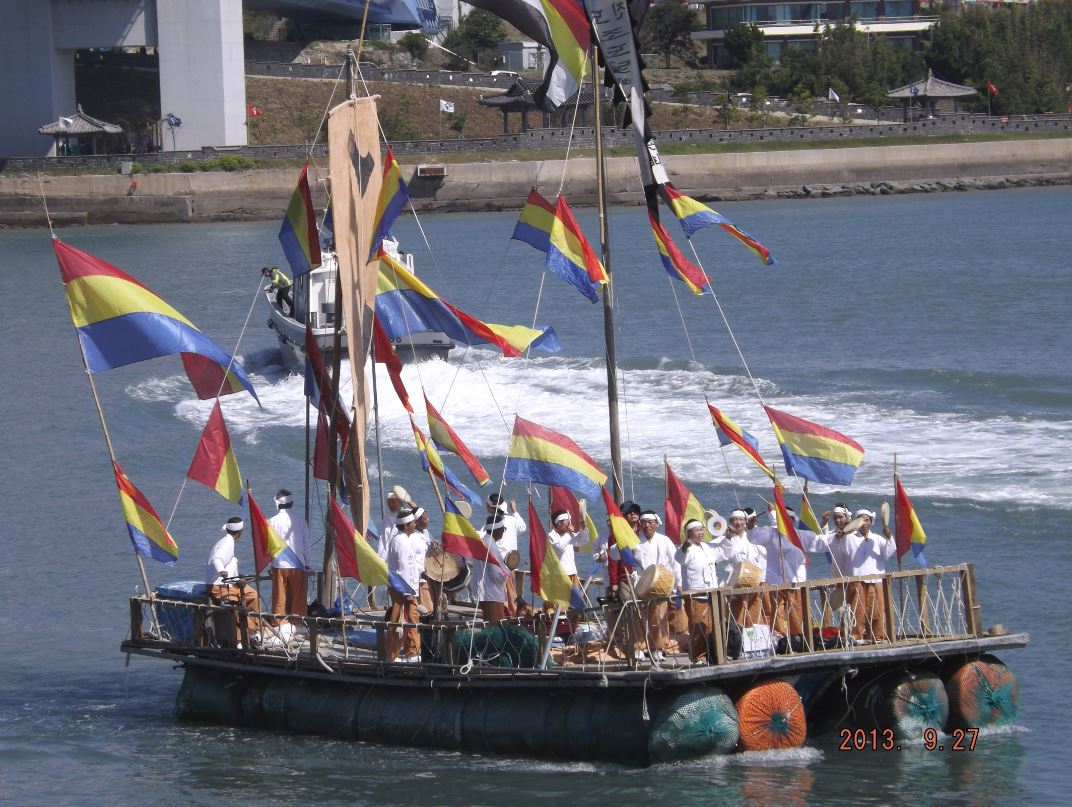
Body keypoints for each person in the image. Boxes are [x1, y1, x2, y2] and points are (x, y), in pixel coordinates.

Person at [832, 509, 897, 642]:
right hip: (856, 579)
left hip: (876, 579)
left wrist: (889, 537)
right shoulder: (850, 538)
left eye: (867, 520)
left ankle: (877, 636)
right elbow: (841, 551)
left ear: (871, 522)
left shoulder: (877, 539)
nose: (864, 523)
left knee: (877, 611)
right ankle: (854, 636)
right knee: (857, 610)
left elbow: (889, 552)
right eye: (861, 520)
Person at [675, 519, 728, 663]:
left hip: (711, 593)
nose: (700, 533)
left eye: (701, 530)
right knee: (697, 627)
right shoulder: (686, 548)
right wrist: (685, 546)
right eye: (696, 530)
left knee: (712, 627)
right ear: (688, 533)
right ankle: (697, 657)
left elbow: (724, 553)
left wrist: (727, 536)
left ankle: (713, 655)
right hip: (695, 594)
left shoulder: (707, 547)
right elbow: (679, 558)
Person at [205, 516, 262, 647]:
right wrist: (221, 571)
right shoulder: (227, 542)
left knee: (253, 596)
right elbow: (216, 559)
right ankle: (238, 640)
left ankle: (253, 631)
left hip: (231, 583)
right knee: (235, 605)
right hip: (219, 585)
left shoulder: (227, 540)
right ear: (240, 531)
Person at [633, 510, 680, 662]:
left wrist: (676, 584)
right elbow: (620, 556)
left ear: (656, 524)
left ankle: (657, 648)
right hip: (641, 583)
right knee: (639, 618)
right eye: (644, 522)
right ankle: (638, 648)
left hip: (661, 583)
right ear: (640, 524)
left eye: (650, 522)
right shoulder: (634, 540)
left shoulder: (665, 540)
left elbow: (675, 563)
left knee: (658, 618)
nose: (647, 526)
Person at [385, 508, 428, 662]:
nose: (415, 525)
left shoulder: (405, 539)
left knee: (411, 620)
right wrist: (406, 593)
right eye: (412, 523)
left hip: (408, 588)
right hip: (401, 589)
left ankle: (412, 652)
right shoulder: (401, 541)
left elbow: (410, 567)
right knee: (397, 621)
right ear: (406, 525)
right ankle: (392, 654)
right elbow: (402, 569)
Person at [715, 508, 768, 628]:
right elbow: (713, 554)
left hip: (753, 581)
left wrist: (762, 580)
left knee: (754, 617)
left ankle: (753, 644)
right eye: (734, 520)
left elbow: (762, 558)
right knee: (734, 617)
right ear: (730, 522)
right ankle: (736, 642)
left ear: (745, 522)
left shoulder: (752, 538)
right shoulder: (724, 539)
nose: (738, 523)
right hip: (732, 582)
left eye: (740, 519)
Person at [268, 488, 310, 622]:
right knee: (298, 597)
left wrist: (269, 565)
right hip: (298, 564)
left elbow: (269, 546)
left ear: (278, 504)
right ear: (291, 503)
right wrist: (307, 563)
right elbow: (306, 545)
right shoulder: (301, 521)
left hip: (279, 564)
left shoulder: (271, 522)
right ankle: (297, 624)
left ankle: (278, 623)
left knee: (279, 597)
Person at [473, 518, 511, 624]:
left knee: (490, 626)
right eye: (503, 529)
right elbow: (496, 574)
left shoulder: (484, 542)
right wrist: (508, 571)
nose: (503, 531)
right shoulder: (491, 546)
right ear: (497, 530)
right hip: (491, 594)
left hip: (486, 593)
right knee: (495, 628)